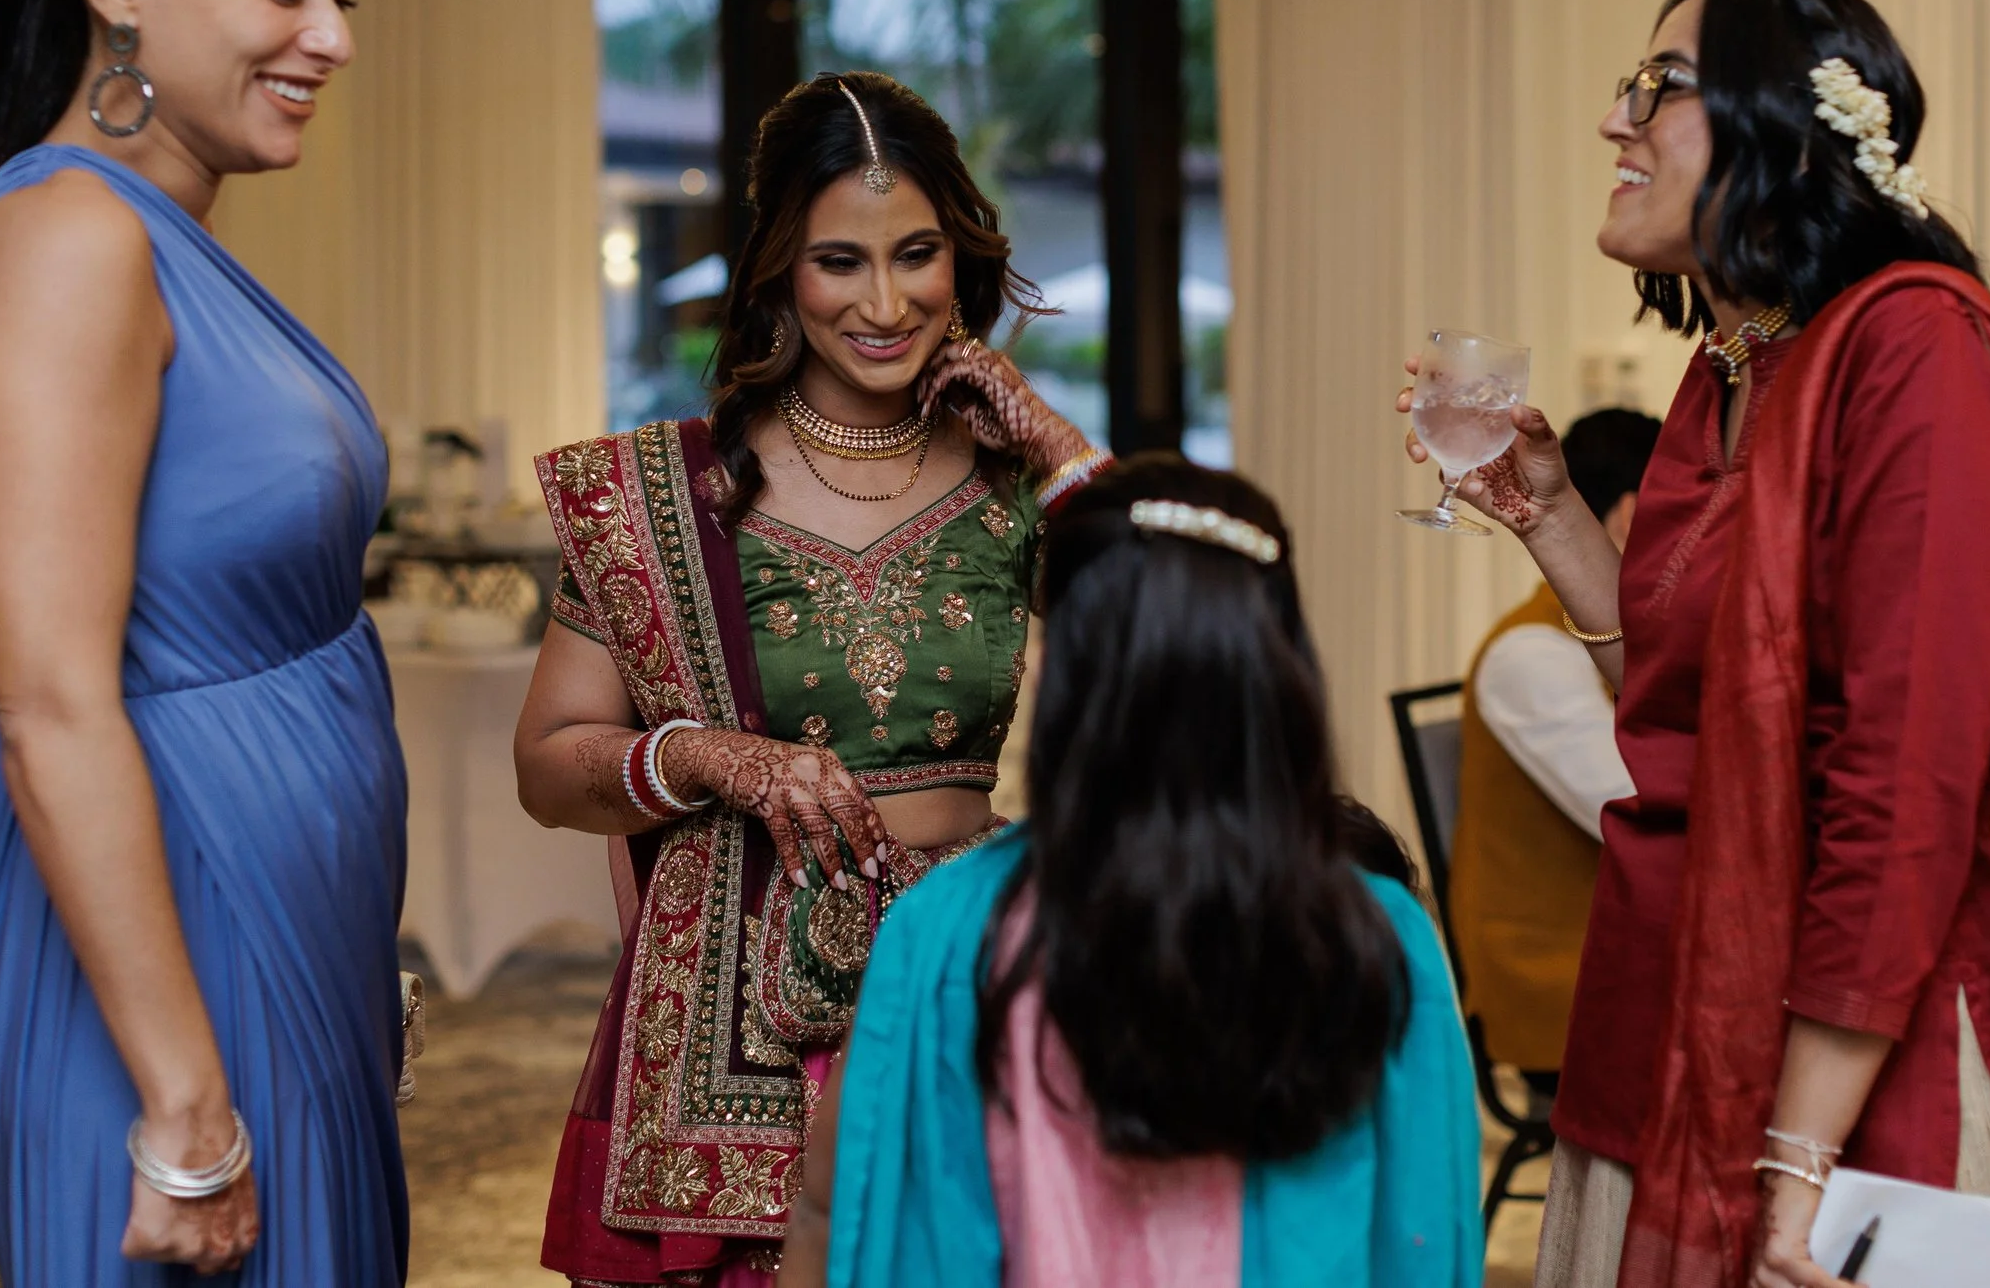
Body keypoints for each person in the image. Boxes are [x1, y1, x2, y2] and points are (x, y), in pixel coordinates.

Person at [1398, 0, 1990, 1288]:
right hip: (1675, 1002)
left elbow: (1898, 786)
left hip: (1854, 1059)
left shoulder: (1917, 351)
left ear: (1789, 130)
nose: (1616, 122)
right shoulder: (1733, 367)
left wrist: (1795, 1160)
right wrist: (1553, 519)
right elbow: (1703, 722)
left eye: (1662, 86)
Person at [0, 0, 406, 1283]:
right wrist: (187, 1105)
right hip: (155, 958)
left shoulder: (145, 233)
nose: (332, 37)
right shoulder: (74, 241)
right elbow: (52, 699)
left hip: (261, 928)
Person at [514, 70, 1112, 1286]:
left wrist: (1056, 446)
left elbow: (1190, 642)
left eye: (918, 253)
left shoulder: (1016, 481)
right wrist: (703, 754)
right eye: (840, 260)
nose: (885, 302)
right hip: (730, 1024)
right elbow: (547, 764)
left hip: (960, 981)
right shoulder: (665, 496)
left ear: (963, 253)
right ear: (782, 266)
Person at [784, 457, 1482, 1288]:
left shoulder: (947, 932)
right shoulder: (1376, 932)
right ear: (1284, 666)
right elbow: (1426, 1235)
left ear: (1063, 671)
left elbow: (844, 1213)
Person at [1451, 408, 1652, 1084]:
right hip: (1556, 972)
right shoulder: (1531, 652)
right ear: (1628, 514)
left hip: (1623, 950)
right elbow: (1637, 803)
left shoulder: (1590, 639)